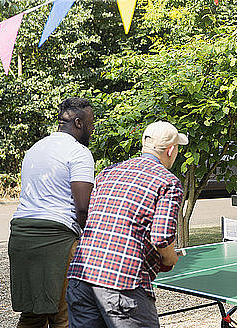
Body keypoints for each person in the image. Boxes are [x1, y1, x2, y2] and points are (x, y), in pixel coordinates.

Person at [66, 121, 188, 328]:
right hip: (122, 284)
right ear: (171, 150)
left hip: (81, 277)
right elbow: (160, 238)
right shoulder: (168, 182)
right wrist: (171, 258)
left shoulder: (108, 172)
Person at [8, 98, 95, 328]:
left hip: (21, 235)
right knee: (63, 316)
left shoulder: (36, 148)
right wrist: (92, 239)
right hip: (56, 239)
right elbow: (83, 207)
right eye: (91, 123)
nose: (93, 128)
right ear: (78, 123)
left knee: (33, 314)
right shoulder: (79, 153)